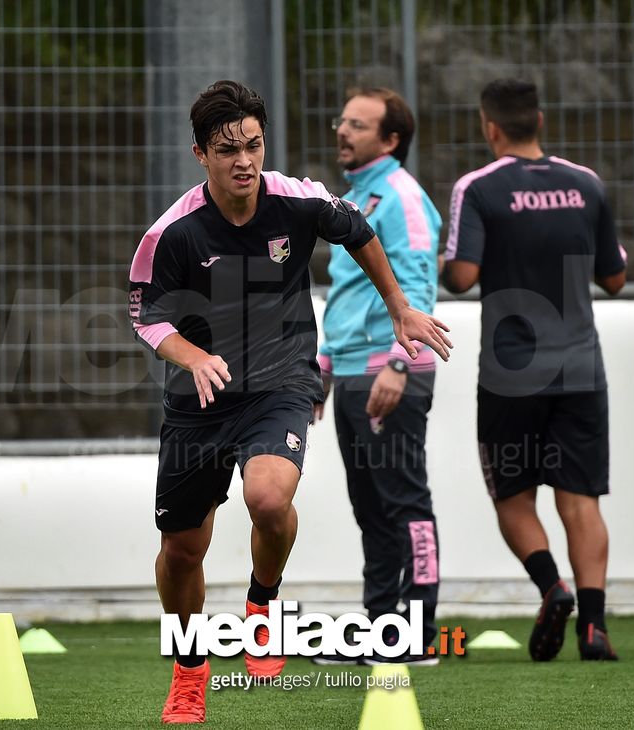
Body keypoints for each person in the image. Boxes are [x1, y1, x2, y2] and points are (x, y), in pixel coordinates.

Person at [128, 80, 452, 724]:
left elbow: (358, 231)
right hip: (201, 399)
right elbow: (145, 312)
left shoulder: (297, 200)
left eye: (252, 145)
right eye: (227, 150)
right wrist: (192, 357)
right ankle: (190, 669)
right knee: (180, 550)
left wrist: (398, 306)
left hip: (282, 382)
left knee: (269, 498)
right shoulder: (174, 231)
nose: (244, 161)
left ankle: (262, 602)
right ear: (200, 154)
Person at [441, 78, 626, 662]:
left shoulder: (478, 188)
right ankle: (594, 627)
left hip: (511, 369)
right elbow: (615, 279)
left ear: (489, 127)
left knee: (514, 497)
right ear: (539, 121)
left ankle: (553, 588)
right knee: (581, 499)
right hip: (581, 367)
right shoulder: (586, 184)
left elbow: (462, 275)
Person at [314, 87, 443, 665]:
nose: (343, 131)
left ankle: (418, 632)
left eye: (359, 125)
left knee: (405, 501)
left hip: (391, 371)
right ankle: (381, 630)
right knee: (370, 506)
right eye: (342, 121)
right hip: (350, 373)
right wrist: (323, 363)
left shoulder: (403, 198)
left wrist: (400, 362)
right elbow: (346, 293)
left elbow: (416, 284)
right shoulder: (356, 200)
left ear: (391, 140)